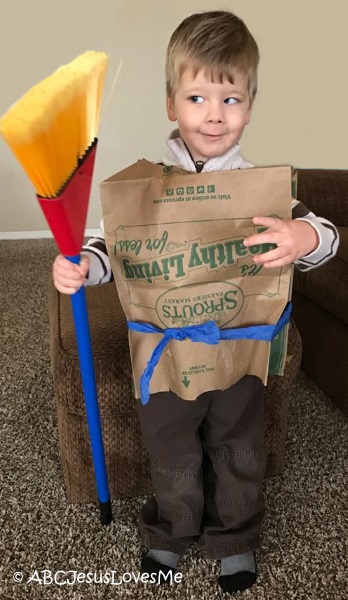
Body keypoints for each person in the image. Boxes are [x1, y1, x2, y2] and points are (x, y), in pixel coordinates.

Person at [53, 10, 339, 594]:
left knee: (239, 446)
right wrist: (82, 264)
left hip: (240, 351)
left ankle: (235, 536)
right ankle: (171, 531)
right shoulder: (142, 186)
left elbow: (329, 238)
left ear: (251, 104)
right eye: (198, 96)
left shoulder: (265, 188)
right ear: (171, 104)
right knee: (172, 447)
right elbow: (111, 247)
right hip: (164, 355)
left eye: (231, 98)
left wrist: (302, 236)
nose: (214, 114)